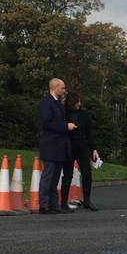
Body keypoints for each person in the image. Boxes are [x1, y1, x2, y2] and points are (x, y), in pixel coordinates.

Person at [38, 78, 76, 214]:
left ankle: (54, 203)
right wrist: (65, 126)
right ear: (54, 88)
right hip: (51, 145)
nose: (64, 90)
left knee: (55, 177)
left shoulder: (57, 103)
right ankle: (44, 204)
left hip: (59, 146)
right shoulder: (47, 104)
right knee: (48, 175)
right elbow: (46, 123)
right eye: (62, 88)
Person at [62, 92, 100, 211]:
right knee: (68, 174)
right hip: (69, 146)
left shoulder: (83, 114)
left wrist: (93, 148)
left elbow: (88, 132)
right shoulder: (64, 113)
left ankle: (87, 200)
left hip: (82, 146)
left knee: (87, 173)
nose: (79, 104)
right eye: (77, 102)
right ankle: (63, 201)